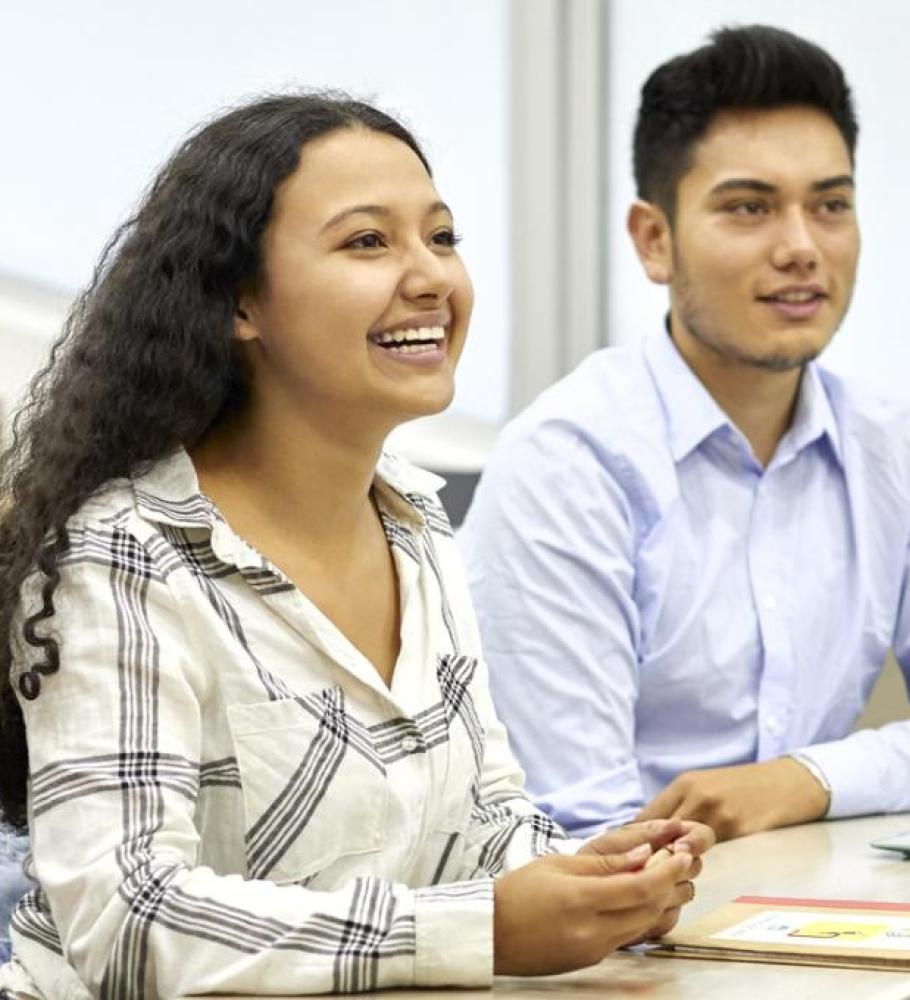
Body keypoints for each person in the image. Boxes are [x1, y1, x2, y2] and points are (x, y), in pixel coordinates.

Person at [0, 91, 712, 998]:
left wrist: (593, 878)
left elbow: (481, 822)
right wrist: (482, 929)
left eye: (442, 237)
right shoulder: (122, 555)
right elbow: (130, 920)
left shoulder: (415, 520)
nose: (430, 278)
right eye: (367, 243)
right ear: (241, 302)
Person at [459, 25, 910, 842]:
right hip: (603, 937)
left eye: (831, 206)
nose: (801, 248)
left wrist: (805, 779)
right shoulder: (571, 461)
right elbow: (578, 826)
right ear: (654, 240)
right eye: (749, 208)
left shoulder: (902, 449)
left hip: (799, 902)